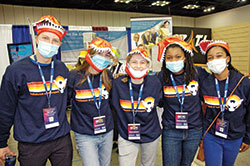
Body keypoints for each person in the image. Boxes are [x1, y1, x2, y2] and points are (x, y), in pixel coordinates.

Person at [0, 15, 72, 166]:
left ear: (59, 44)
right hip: (31, 143)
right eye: (45, 38)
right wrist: (1, 142)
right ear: (37, 39)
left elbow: (67, 98)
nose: (50, 43)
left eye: (55, 40)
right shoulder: (16, 71)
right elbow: (5, 110)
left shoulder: (61, 68)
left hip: (61, 140)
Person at [157, 36, 208, 166]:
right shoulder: (161, 77)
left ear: (185, 57)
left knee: (186, 164)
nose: (174, 60)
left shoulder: (198, 73)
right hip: (171, 130)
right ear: (165, 60)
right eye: (169, 58)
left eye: (178, 57)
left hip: (194, 130)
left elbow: (216, 84)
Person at [199, 40, 250, 166]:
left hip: (235, 136)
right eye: (210, 58)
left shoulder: (243, 83)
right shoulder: (205, 83)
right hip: (212, 136)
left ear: (227, 59)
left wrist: (248, 137)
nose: (214, 60)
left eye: (219, 56)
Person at [68, 37, 115, 166]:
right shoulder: (75, 76)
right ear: (90, 54)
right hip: (85, 133)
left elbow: (111, 102)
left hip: (106, 132)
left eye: (106, 55)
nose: (103, 58)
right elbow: (64, 102)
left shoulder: (107, 76)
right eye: (100, 54)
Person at [112, 48, 162, 166]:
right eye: (134, 62)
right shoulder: (118, 83)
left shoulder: (155, 83)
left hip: (150, 133)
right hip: (126, 134)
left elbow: (161, 102)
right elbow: (113, 105)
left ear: (148, 65)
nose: (138, 66)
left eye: (142, 62)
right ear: (127, 64)